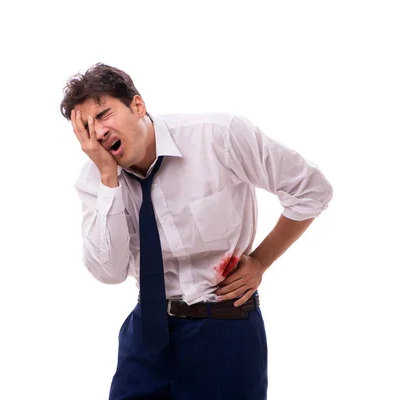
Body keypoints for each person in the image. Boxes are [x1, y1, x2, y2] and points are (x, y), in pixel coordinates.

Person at [60, 63, 333, 400]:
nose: (98, 132)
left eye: (104, 114)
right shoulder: (96, 183)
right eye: (87, 127)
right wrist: (107, 179)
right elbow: (109, 272)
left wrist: (261, 262)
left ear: (137, 105)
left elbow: (311, 189)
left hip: (225, 330)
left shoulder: (218, 136)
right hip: (147, 335)